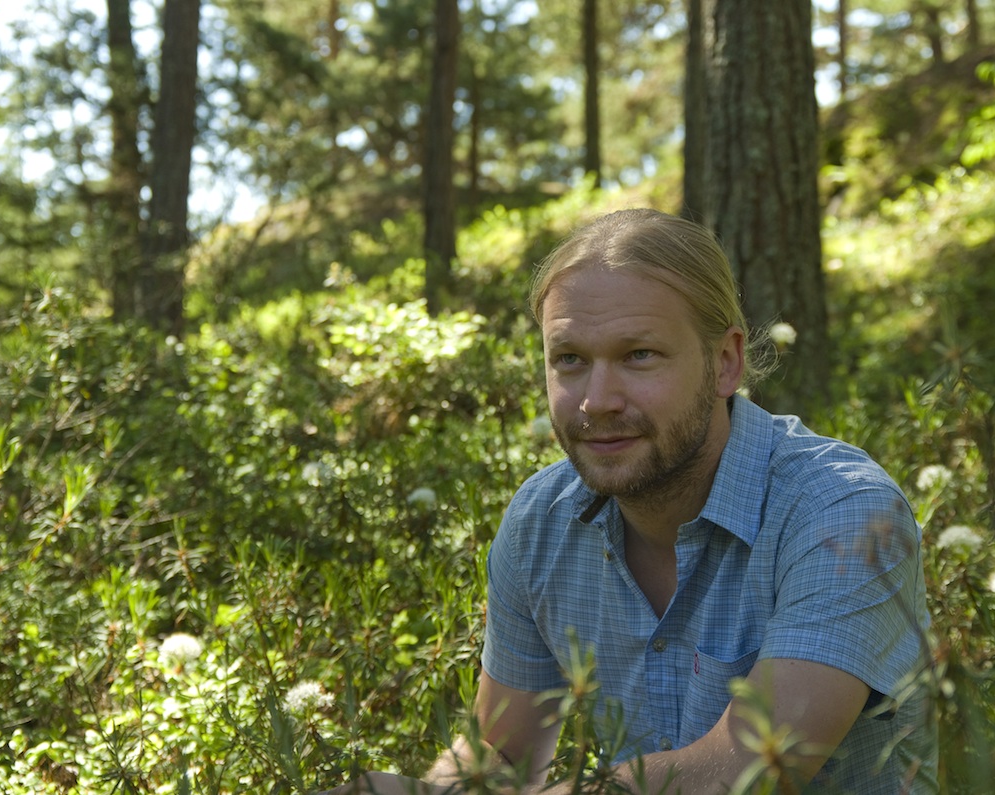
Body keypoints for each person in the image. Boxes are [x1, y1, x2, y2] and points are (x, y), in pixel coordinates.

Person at [329, 209, 938, 795]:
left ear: (725, 363)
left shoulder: (842, 512)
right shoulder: (542, 522)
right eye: (569, 360)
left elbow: (749, 771)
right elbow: (504, 755)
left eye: (638, 355)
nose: (598, 401)